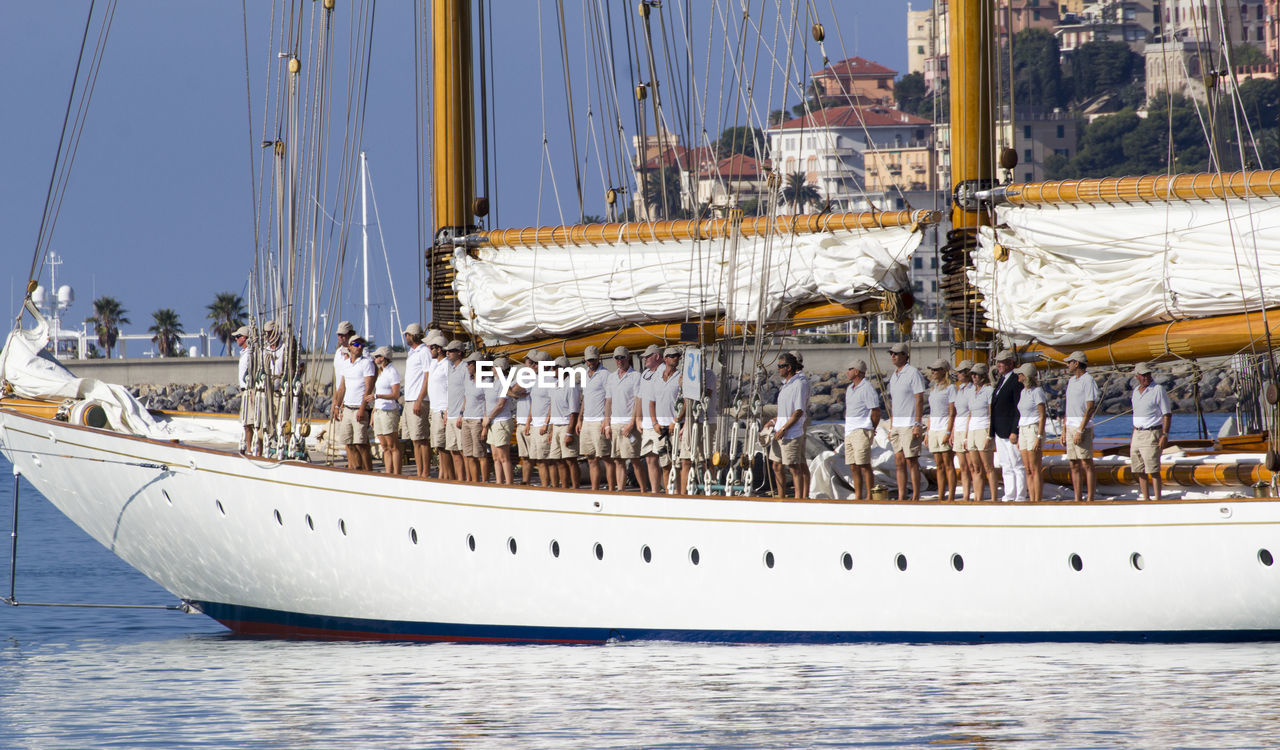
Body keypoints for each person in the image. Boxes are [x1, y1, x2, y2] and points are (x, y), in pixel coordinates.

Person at [764, 352, 811, 499]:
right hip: (780, 431)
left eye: (781, 366)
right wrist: (773, 422)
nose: (778, 369)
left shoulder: (799, 384)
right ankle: (781, 496)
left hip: (791, 433)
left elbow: (798, 411)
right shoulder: (785, 385)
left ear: (789, 367)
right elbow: (785, 411)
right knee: (776, 466)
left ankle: (799, 499)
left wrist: (784, 428)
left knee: (794, 467)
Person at [886, 342, 927, 501]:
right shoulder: (894, 375)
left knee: (912, 461)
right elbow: (894, 402)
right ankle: (902, 495)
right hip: (897, 424)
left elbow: (919, 399)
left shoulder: (913, 373)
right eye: (892, 354)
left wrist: (917, 424)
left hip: (910, 424)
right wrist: (891, 425)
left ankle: (916, 495)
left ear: (905, 355)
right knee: (898, 461)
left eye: (896, 353)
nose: (893, 356)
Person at [332, 335, 375, 471]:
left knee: (361, 444)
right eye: (356, 344)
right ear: (349, 347)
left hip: (358, 408)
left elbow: (368, 387)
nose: (360, 347)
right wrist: (337, 406)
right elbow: (342, 387)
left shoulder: (366, 363)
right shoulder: (345, 364)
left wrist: (363, 408)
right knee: (348, 442)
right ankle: (356, 468)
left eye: (361, 344)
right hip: (347, 408)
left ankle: (369, 472)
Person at [1130, 361, 1172, 501]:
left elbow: (1166, 414)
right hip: (1137, 433)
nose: (1146, 377)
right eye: (1143, 375)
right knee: (1138, 468)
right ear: (1137, 376)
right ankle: (1146, 498)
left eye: (1148, 374)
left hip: (1152, 433)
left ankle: (1157, 498)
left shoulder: (1158, 389)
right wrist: (1133, 436)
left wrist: (1165, 434)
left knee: (1153, 469)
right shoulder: (1135, 392)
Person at [1062, 350, 1099, 501]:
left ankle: (1090, 498)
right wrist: (1064, 430)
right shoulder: (1071, 381)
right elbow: (1068, 407)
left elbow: (1090, 407)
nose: (1067, 364)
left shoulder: (1088, 380)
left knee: (1086, 462)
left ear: (1076, 363)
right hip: (1070, 426)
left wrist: (1080, 429)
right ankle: (1077, 498)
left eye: (1069, 362)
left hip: (1081, 427)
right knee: (1073, 462)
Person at [842, 358, 882, 500]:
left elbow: (876, 411)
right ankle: (858, 495)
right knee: (853, 465)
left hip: (861, 430)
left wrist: (872, 428)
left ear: (857, 371)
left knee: (864, 464)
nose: (847, 372)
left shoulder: (867, 388)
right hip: (849, 431)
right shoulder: (849, 389)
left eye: (850, 369)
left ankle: (869, 496)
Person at [603, 346, 641, 492]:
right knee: (618, 460)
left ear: (628, 358)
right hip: (615, 424)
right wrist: (607, 424)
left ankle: (644, 490)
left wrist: (632, 423)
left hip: (628, 425)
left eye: (622, 357)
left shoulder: (635, 376)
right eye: (617, 358)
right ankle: (620, 490)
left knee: (635, 460)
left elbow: (638, 401)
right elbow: (608, 402)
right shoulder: (612, 377)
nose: (619, 361)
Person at [990, 349, 1026, 502]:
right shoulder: (1001, 380)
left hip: (1009, 430)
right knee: (1005, 464)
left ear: (1011, 363)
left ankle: (1020, 495)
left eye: (1002, 362)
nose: (998, 364)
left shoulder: (1015, 381)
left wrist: (1014, 431)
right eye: (998, 362)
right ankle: (1009, 493)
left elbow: (1018, 408)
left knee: (1017, 463)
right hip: (999, 430)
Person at [645, 347, 682, 493]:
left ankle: (678, 495)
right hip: (660, 428)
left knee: (677, 464)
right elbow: (651, 403)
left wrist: (676, 421)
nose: (675, 358)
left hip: (675, 426)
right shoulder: (657, 379)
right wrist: (654, 423)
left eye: (677, 356)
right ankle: (668, 493)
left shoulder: (680, 378)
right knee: (665, 465)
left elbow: (684, 402)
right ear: (665, 359)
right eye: (672, 356)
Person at [578, 345, 611, 491]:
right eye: (588, 360)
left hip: (599, 421)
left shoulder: (605, 375)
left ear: (598, 358)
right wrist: (580, 418)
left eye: (593, 359)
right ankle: (594, 489)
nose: (590, 362)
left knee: (606, 458)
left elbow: (608, 399)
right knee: (590, 458)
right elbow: (584, 397)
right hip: (587, 421)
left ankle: (611, 489)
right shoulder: (585, 374)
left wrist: (606, 420)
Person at [548, 355, 582, 488]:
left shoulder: (571, 385)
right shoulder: (555, 384)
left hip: (566, 425)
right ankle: (564, 487)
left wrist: (570, 433)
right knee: (557, 460)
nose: (553, 370)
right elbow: (553, 408)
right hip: (556, 426)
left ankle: (575, 488)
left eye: (555, 368)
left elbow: (574, 412)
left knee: (570, 460)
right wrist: (551, 429)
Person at [401, 323, 431, 477]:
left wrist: (419, 400)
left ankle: (425, 473)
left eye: (407, 334)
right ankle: (420, 472)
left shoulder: (423, 352)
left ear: (412, 335)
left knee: (422, 439)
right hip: (409, 400)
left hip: (418, 400)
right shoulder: (411, 353)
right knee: (414, 439)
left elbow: (427, 376)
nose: (405, 337)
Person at [966, 363, 998, 502]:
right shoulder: (971, 392)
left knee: (988, 466)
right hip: (972, 430)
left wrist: (989, 435)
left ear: (983, 376)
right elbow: (970, 414)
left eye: (976, 374)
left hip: (983, 428)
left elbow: (992, 413)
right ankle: (978, 498)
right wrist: (966, 436)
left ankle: (993, 498)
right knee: (975, 467)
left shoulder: (989, 390)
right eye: (972, 374)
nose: (973, 377)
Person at [926, 359, 957, 501]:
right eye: (932, 369)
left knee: (948, 464)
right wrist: (927, 432)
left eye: (936, 369)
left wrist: (949, 432)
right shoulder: (933, 389)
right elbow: (931, 413)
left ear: (944, 371)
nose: (933, 372)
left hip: (944, 427)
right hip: (933, 429)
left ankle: (950, 495)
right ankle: (940, 494)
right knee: (938, 465)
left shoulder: (950, 388)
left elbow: (952, 412)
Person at [1015, 363, 1047, 503]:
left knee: (1034, 468)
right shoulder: (1023, 392)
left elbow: (1042, 415)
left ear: (1025, 376)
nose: (1018, 375)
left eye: (1020, 373)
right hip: (1022, 429)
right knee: (1027, 468)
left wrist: (1039, 437)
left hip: (1033, 429)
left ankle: (1037, 500)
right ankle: (1031, 499)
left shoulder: (1037, 392)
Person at [482, 355, 516, 485]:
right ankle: (499, 482)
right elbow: (487, 402)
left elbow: (501, 404)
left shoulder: (504, 381)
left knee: (503, 456)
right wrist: (487, 418)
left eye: (494, 366)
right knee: (495, 456)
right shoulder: (495, 381)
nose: (492, 368)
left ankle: (509, 484)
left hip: (501, 421)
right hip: (492, 422)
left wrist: (489, 418)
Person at [634, 344, 663, 493]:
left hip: (660, 423)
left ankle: (672, 492)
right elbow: (640, 397)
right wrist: (638, 418)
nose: (645, 359)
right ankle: (654, 491)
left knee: (664, 460)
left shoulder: (665, 372)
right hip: (646, 424)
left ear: (657, 356)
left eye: (648, 356)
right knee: (650, 459)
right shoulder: (645, 374)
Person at [371, 346, 403, 476]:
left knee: (393, 446)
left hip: (388, 412)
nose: (375, 359)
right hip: (379, 411)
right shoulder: (381, 372)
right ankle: (388, 473)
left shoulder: (392, 372)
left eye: (377, 356)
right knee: (384, 446)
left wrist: (378, 396)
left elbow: (396, 395)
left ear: (383, 358)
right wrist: (373, 413)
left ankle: (396, 474)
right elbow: (377, 394)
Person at [425, 332, 452, 479]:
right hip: (434, 410)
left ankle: (447, 477)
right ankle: (442, 475)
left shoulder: (446, 365)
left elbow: (451, 389)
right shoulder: (435, 364)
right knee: (439, 447)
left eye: (432, 347)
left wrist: (447, 409)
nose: (430, 350)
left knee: (444, 447)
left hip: (442, 409)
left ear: (439, 349)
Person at [526, 350, 554, 486]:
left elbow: (552, 404)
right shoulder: (536, 379)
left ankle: (550, 486)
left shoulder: (551, 380)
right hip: (534, 425)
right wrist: (528, 422)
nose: (534, 366)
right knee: (538, 460)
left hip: (544, 426)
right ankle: (545, 486)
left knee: (546, 460)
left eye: (537, 363)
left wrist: (546, 423)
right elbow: (533, 402)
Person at [459, 351, 488, 482]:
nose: (467, 366)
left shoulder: (486, 381)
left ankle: (485, 483)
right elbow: (466, 398)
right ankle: (475, 483)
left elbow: (488, 402)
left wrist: (485, 425)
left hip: (478, 420)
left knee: (480, 454)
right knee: (468, 454)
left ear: (476, 365)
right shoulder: (469, 381)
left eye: (469, 364)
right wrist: (461, 414)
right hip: (466, 419)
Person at [443, 340, 468, 481]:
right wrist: (447, 412)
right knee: (453, 450)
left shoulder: (464, 368)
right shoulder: (451, 368)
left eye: (451, 351)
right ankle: (459, 480)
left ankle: (467, 480)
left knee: (463, 450)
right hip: (450, 414)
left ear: (459, 352)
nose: (448, 353)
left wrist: (462, 413)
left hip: (459, 415)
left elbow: (467, 393)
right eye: (447, 351)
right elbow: (451, 393)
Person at [951, 361, 974, 501]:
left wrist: (966, 433)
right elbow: (956, 412)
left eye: (960, 372)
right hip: (958, 428)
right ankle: (966, 495)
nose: (957, 374)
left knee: (972, 465)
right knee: (963, 465)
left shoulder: (972, 390)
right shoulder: (959, 390)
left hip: (968, 428)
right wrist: (953, 431)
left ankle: (976, 493)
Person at [233, 325, 258, 453]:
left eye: (238, 337)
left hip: (250, 391)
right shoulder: (244, 353)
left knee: (250, 422)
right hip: (244, 391)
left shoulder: (251, 354)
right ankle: (248, 448)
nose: (236, 339)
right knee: (245, 423)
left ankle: (250, 449)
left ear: (244, 337)